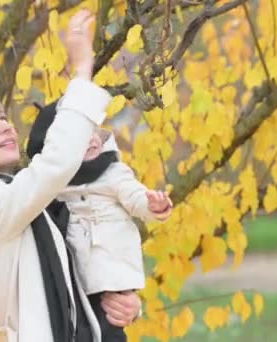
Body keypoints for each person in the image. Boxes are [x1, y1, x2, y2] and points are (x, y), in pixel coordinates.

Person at [0, 9, 141, 342]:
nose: (3, 124)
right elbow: (53, 167)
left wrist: (125, 302)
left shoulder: (24, 203)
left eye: (2, 116)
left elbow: (87, 254)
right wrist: (81, 71)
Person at [27, 106, 173, 341]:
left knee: (110, 326)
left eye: (90, 131)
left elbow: (135, 197)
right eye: (77, 139)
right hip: (79, 279)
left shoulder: (113, 172)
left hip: (110, 273)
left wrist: (153, 205)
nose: (90, 140)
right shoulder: (54, 186)